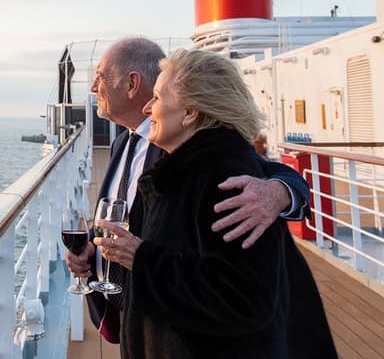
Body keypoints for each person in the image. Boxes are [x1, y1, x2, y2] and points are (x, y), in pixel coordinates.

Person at [64, 37, 310, 342]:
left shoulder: (187, 147)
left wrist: (282, 191)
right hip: (135, 313)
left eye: (101, 77)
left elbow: (260, 170)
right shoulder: (121, 143)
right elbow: (128, 218)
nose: (93, 88)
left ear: (131, 83)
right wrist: (92, 246)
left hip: (177, 322)